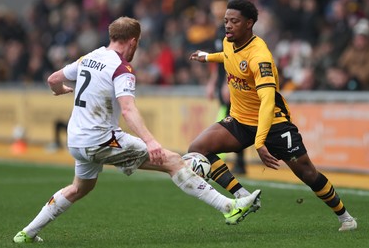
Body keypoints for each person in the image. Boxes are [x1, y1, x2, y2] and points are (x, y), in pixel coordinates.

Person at [13, 17, 262, 243]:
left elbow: (53, 79)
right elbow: (129, 110)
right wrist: (151, 142)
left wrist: (60, 91)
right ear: (133, 41)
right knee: (173, 160)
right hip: (102, 140)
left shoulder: (88, 57)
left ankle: (27, 233)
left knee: (80, 188)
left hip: (77, 141)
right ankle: (229, 207)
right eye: (138, 44)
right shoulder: (121, 68)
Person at [189, 0, 357, 232]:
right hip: (240, 119)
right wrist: (207, 56)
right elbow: (228, 56)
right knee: (198, 148)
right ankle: (243, 195)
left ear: (249, 24)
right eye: (226, 20)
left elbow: (267, 102)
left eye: (234, 21)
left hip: (273, 123)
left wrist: (260, 142)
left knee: (307, 172)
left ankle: (345, 217)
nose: (227, 25)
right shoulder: (229, 42)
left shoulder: (261, 57)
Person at [205, 0, 246, 174]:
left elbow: (235, 59)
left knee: (229, 122)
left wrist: (228, 84)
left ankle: (215, 159)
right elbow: (218, 60)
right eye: (215, 7)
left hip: (232, 83)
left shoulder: (231, 31)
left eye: (221, 6)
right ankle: (238, 163)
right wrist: (213, 81)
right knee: (233, 122)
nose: (217, 10)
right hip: (223, 81)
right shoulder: (218, 31)